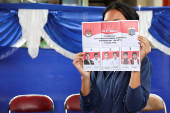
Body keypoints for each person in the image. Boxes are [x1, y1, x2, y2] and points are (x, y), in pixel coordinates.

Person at [73, 2, 152, 113]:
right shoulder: (97, 59)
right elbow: (87, 107)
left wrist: (135, 67)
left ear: (131, 27)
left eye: (117, 23)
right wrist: (85, 77)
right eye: (106, 24)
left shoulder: (143, 62)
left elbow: (134, 107)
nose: (110, 29)